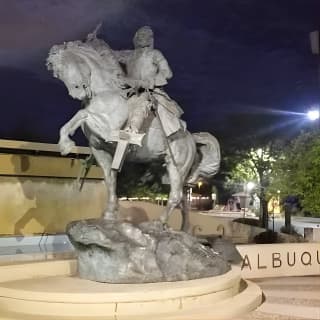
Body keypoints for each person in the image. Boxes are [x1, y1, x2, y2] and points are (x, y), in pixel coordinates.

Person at [113, 26, 186, 136]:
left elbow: (167, 73)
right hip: (129, 91)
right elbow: (110, 54)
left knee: (142, 101)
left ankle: (132, 131)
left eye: (145, 35)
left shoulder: (155, 54)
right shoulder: (129, 55)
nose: (142, 37)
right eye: (140, 35)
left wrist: (149, 81)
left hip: (149, 92)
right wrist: (97, 44)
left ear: (150, 39)